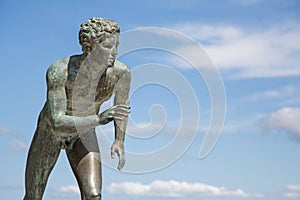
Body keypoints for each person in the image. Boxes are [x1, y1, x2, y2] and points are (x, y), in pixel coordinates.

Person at [23, 17, 131, 200]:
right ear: (88, 47)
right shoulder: (60, 71)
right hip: (51, 132)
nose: (114, 52)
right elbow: (57, 121)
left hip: (84, 132)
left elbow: (121, 107)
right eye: (107, 46)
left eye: (116, 45)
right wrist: (98, 120)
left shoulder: (121, 73)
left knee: (93, 195)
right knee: (33, 196)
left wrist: (119, 140)